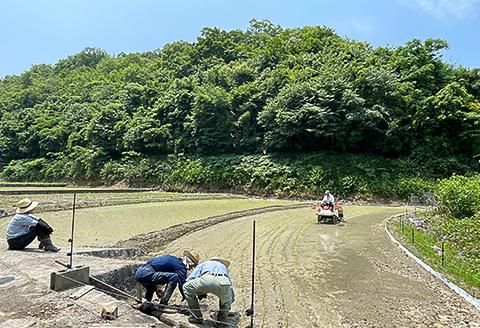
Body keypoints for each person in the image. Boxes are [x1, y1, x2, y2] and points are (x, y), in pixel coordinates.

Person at [183, 257, 234, 326]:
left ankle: (197, 317)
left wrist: (198, 291)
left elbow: (191, 278)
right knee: (226, 303)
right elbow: (229, 286)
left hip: (207, 278)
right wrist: (230, 300)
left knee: (186, 287)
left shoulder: (205, 263)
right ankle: (221, 323)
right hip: (223, 282)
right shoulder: (223, 267)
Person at [135, 250, 200, 305]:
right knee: (174, 277)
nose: (191, 268)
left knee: (151, 288)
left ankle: (147, 302)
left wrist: (157, 288)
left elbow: (154, 268)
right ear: (190, 263)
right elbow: (183, 284)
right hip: (147, 273)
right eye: (192, 266)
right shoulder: (180, 266)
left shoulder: (173, 259)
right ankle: (163, 303)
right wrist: (187, 296)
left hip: (140, 272)